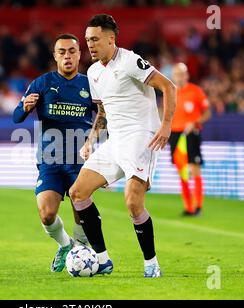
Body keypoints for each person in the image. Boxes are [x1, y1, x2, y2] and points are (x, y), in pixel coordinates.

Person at [69, 14, 177, 278]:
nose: (90, 45)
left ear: (111, 39)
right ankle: (103, 260)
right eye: (87, 40)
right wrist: (91, 140)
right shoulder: (93, 72)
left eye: (94, 39)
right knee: (77, 193)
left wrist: (166, 125)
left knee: (132, 202)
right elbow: (104, 111)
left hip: (141, 137)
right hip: (114, 141)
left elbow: (168, 86)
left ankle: (151, 263)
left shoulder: (130, 61)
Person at [13, 34, 98, 272]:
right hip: (49, 160)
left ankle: (81, 248)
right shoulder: (41, 83)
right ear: (55, 56)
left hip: (79, 160)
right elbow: (16, 116)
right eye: (62, 52)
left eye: (72, 51)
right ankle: (65, 245)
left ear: (80, 54)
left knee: (79, 206)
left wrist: (97, 142)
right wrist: (25, 107)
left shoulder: (89, 85)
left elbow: (104, 116)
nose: (67, 56)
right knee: (46, 214)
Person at [170, 63, 211, 216]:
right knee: (182, 171)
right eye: (176, 74)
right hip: (175, 134)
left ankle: (198, 206)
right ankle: (188, 207)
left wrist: (195, 122)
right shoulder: (171, 91)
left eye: (181, 74)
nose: (179, 77)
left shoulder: (196, 91)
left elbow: (207, 113)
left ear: (186, 75)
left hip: (191, 133)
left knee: (194, 168)